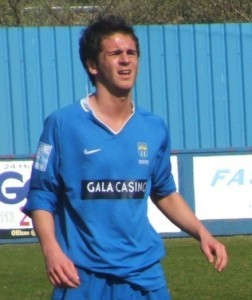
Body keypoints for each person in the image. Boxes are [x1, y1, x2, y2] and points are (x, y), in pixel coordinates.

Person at [23, 15, 228, 300]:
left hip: (143, 273)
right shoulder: (62, 124)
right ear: (93, 65)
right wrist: (51, 251)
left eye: (131, 53)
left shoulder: (153, 126)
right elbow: (42, 196)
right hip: (82, 275)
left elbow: (163, 190)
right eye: (115, 53)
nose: (126, 60)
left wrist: (202, 233)